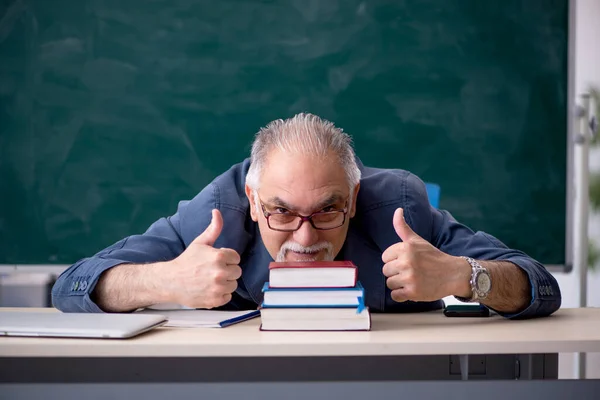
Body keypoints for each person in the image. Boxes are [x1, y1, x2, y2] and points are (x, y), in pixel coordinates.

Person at [52, 113, 561, 318]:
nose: (305, 236)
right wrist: (161, 281)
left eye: (327, 210)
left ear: (354, 199)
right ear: (253, 202)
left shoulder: (398, 208)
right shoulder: (216, 216)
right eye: (280, 212)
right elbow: (71, 286)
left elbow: (540, 286)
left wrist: (463, 275)